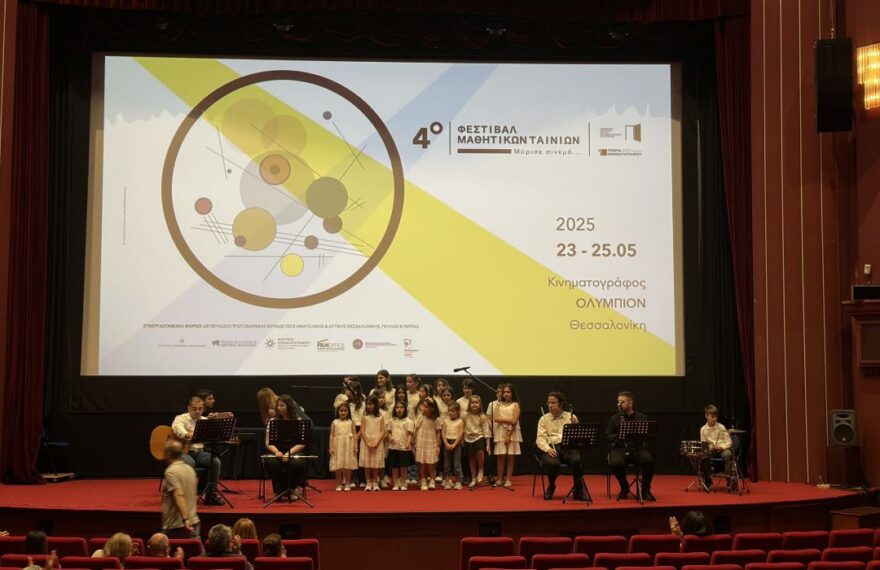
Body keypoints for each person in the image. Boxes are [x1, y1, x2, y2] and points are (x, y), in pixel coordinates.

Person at [171, 395, 224, 505]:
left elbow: (214, 435)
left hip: (199, 453)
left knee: (215, 461)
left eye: (200, 409)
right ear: (189, 408)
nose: (198, 411)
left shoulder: (205, 421)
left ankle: (211, 496)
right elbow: (177, 428)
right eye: (194, 409)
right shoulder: (181, 418)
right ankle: (186, 495)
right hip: (183, 452)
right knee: (190, 462)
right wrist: (186, 434)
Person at [536, 391, 586, 501]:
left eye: (553, 403)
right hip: (552, 448)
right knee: (553, 463)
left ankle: (578, 490)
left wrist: (576, 425)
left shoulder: (571, 417)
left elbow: (579, 437)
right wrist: (547, 449)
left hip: (568, 448)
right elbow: (540, 439)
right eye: (549, 403)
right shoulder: (543, 419)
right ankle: (551, 486)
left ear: (561, 404)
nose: (550, 405)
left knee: (578, 460)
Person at [606, 391, 656, 501]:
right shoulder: (615, 418)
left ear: (630, 403)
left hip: (636, 448)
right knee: (615, 462)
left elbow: (647, 436)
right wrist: (619, 435)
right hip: (620, 448)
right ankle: (624, 488)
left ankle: (645, 490)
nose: (619, 404)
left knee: (648, 461)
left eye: (622, 402)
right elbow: (608, 436)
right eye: (618, 402)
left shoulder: (642, 417)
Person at [264, 394, 309, 497]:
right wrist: (276, 451)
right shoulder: (273, 421)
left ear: (289, 407)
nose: (278, 408)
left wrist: (289, 453)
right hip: (278, 450)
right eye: (278, 405)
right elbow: (267, 442)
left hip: (293, 451)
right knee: (270, 461)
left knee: (298, 462)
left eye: (282, 405)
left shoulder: (298, 421)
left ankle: (293, 488)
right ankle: (279, 490)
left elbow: (301, 443)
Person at [161, 440, 200, 539]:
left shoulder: (171, 472)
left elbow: (179, 494)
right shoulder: (190, 469)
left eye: (164, 452)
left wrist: (185, 519)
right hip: (194, 522)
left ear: (168, 454)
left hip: (177, 526)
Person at [492, 383, 521, 488]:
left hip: (512, 432)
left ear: (512, 393)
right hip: (500, 432)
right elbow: (496, 418)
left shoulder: (515, 405)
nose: (506, 394)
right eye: (504, 392)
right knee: (500, 456)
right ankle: (499, 479)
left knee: (510, 456)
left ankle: (508, 479)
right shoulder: (498, 404)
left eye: (508, 392)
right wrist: (508, 420)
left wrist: (508, 434)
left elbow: (514, 421)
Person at [699, 404, 734, 489]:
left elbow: (729, 442)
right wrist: (710, 449)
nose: (715, 419)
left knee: (728, 455)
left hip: (723, 449)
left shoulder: (721, 427)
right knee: (703, 456)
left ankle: (729, 480)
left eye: (716, 417)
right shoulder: (703, 429)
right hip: (712, 450)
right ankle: (707, 480)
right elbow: (704, 445)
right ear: (706, 416)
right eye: (712, 416)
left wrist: (722, 447)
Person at [358, 395, 386, 491]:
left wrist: (376, 442)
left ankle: (375, 481)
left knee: (375, 463)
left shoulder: (380, 417)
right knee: (367, 463)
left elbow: (382, 431)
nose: (368, 406)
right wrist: (368, 442)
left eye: (370, 404)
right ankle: (368, 482)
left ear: (376, 405)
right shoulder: (364, 417)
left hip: (377, 442)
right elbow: (362, 430)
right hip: (366, 442)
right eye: (367, 404)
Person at [463, 395, 492, 488]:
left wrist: (488, 444)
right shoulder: (465, 415)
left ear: (480, 404)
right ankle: (473, 478)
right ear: (469, 404)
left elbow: (486, 430)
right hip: (468, 438)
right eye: (472, 403)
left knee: (480, 451)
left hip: (478, 436)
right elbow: (462, 427)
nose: (474, 404)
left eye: (476, 402)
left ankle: (481, 469)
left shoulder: (482, 416)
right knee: (471, 458)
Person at [413, 397, 441, 490]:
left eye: (427, 407)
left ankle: (432, 479)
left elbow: (438, 433)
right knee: (421, 462)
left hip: (431, 442)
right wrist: (414, 441)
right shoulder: (420, 417)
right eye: (424, 406)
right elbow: (416, 429)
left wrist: (437, 445)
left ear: (433, 408)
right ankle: (423, 480)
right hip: (421, 442)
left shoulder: (436, 419)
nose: (425, 409)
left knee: (430, 462)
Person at [329, 402, 358, 491]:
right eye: (341, 411)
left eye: (345, 411)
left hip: (348, 445)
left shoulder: (351, 422)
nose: (343, 412)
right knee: (338, 465)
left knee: (347, 465)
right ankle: (339, 484)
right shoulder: (335, 422)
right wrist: (331, 447)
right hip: (337, 445)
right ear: (338, 412)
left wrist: (355, 446)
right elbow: (332, 435)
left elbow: (354, 435)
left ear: (348, 412)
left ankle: (347, 483)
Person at [387, 400, 415, 491]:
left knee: (403, 466)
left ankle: (403, 482)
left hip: (404, 447)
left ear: (405, 409)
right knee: (394, 466)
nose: (399, 409)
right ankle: (396, 482)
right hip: (394, 447)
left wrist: (408, 443)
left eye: (401, 407)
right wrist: (390, 438)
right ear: (394, 409)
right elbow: (389, 432)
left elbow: (410, 434)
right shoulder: (391, 420)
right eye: (397, 407)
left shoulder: (409, 421)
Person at [442, 402, 464, 489]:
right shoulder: (446, 421)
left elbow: (460, 434)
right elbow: (443, 433)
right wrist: (446, 443)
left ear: (457, 412)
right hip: (447, 443)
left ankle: (458, 481)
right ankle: (447, 481)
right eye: (449, 411)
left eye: (453, 411)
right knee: (447, 464)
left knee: (456, 464)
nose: (450, 413)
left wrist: (454, 444)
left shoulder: (460, 421)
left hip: (456, 443)